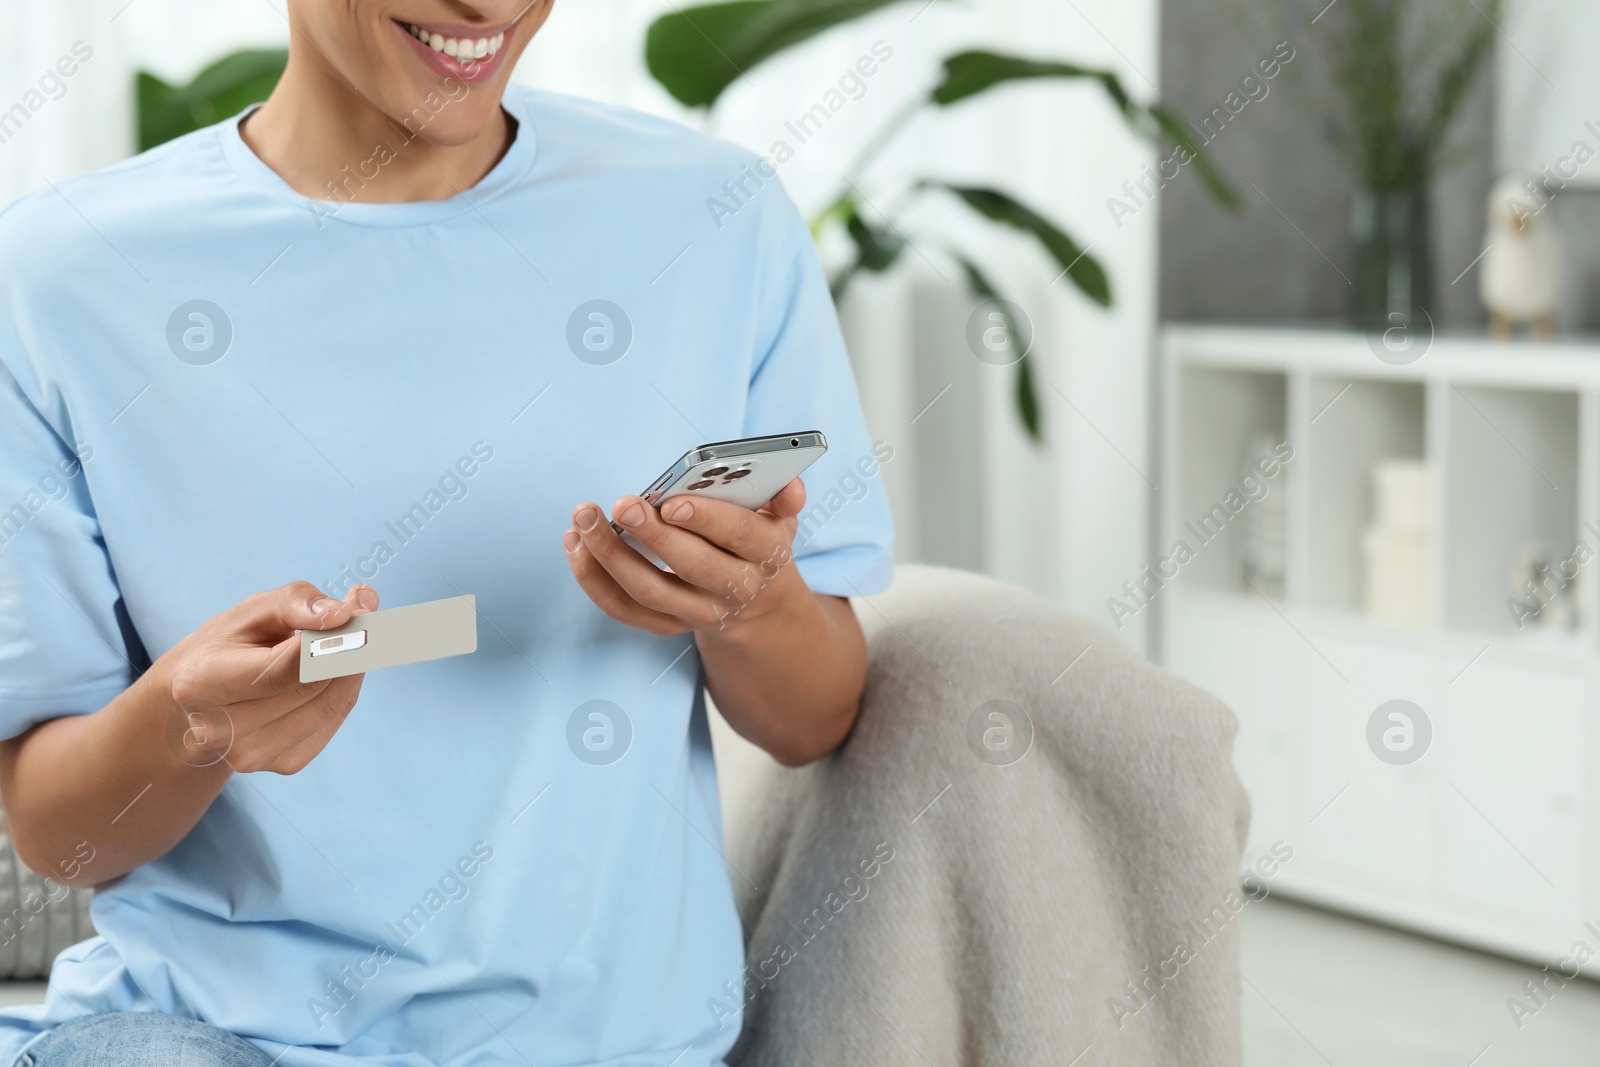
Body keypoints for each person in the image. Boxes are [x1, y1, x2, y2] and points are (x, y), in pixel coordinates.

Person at [0, 2, 894, 1064]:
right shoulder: (61, 274)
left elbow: (815, 717)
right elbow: (56, 832)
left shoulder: (714, 219)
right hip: (200, 1032)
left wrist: (752, 605)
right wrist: (187, 726)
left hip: (607, 1042)